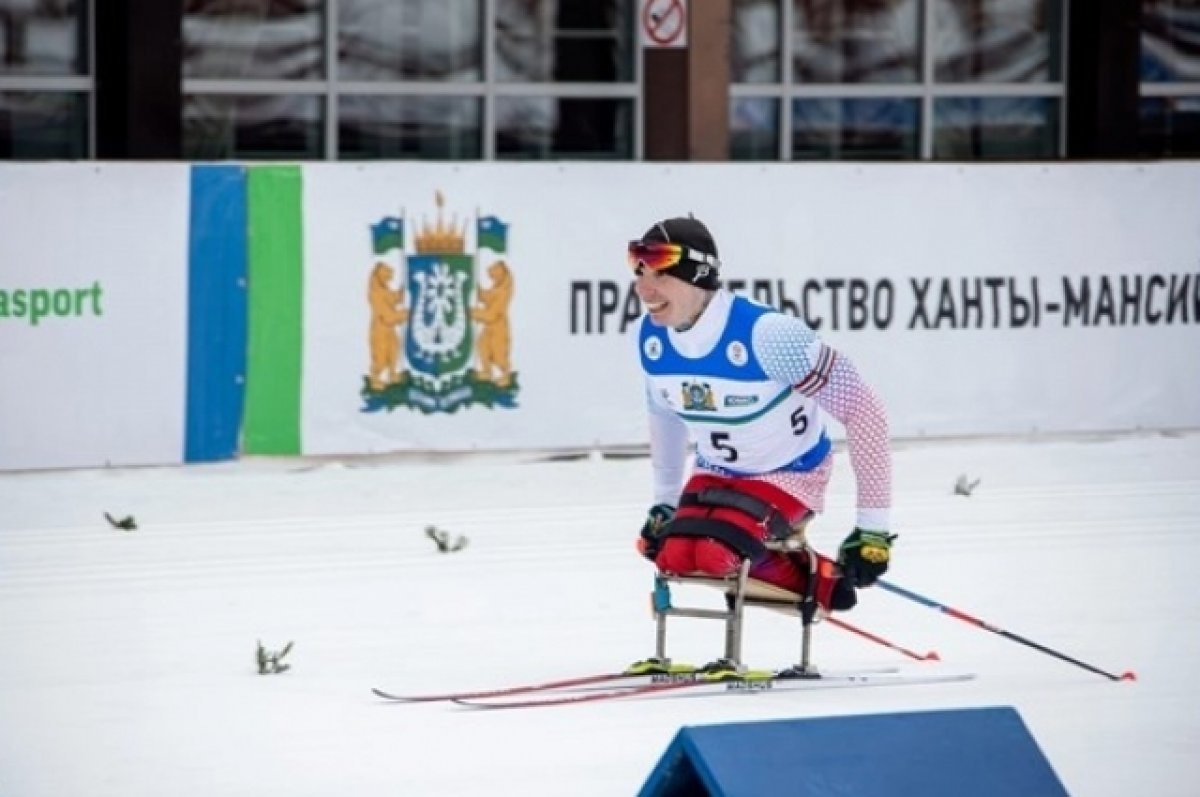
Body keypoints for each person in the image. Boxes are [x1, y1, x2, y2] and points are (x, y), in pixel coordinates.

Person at [629, 216, 896, 660]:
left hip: (789, 474)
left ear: (697, 276)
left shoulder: (768, 335)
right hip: (718, 472)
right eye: (639, 274)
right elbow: (665, 416)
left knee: (715, 555)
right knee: (670, 556)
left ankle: (817, 581)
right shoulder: (650, 337)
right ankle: (759, 570)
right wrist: (664, 501)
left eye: (659, 275)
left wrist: (874, 530)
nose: (644, 289)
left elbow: (864, 411)